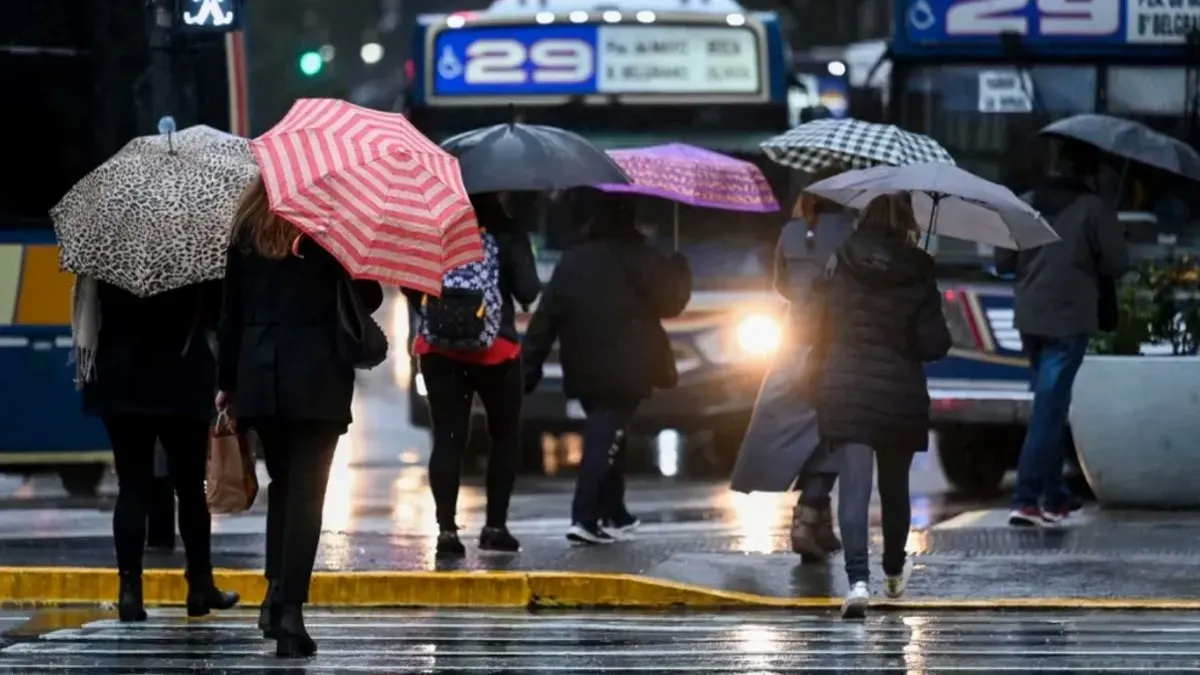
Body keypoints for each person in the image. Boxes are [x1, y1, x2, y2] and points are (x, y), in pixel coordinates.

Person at [217, 177, 383, 658]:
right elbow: (366, 297)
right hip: (316, 379)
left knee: (285, 489)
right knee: (306, 497)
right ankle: (289, 611)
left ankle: (273, 597)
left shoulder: (246, 230)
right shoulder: (330, 230)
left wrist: (228, 382)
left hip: (260, 376)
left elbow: (230, 313)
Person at [809, 192, 951, 618]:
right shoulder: (919, 267)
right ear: (907, 219)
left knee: (853, 487)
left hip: (846, 384)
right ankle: (892, 573)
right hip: (898, 391)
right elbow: (934, 344)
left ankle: (856, 582)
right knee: (894, 488)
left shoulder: (839, 260)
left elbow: (813, 324)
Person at [523, 190, 691, 544]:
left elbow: (546, 319)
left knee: (609, 429)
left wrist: (529, 368)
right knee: (605, 433)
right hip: (628, 366)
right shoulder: (644, 258)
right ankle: (584, 517)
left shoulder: (571, 260)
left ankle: (614, 512)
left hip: (581, 365)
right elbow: (671, 304)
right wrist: (679, 268)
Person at [77, 277, 238, 622]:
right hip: (181, 380)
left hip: (121, 384)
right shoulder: (193, 254)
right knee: (191, 487)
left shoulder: (111, 254)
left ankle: (130, 592)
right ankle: (200, 586)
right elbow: (216, 315)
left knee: (133, 487)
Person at [996, 142, 1128, 527]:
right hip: (1069, 321)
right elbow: (1118, 263)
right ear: (1089, 172)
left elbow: (1002, 262)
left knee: (1049, 403)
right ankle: (1026, 499)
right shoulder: (1092, 208)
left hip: (1029, 317)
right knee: (1049, 409)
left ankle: (1054, 496)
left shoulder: (1026, 203)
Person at [730, 164, 856, 562]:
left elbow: (781, 285)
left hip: (792, 343)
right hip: (835, 343)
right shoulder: (855, 233)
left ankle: (821, 524)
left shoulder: (791, 232)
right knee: (836, 432)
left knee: (798, 433)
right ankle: (808, 511)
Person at [406, 192, 542, 558]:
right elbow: (528, 289)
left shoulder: (433, 227)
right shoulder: (508, 230)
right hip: (495, 349)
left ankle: (447, 533)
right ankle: (495, 527)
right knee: (504, 436)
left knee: (448, 439)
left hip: (439, 350)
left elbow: (409, 285)